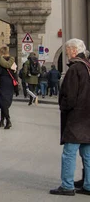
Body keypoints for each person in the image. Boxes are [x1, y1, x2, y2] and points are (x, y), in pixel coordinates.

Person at [49, 38, 90, 196]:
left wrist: (64, 107)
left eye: (67, 50)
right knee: (87, 152)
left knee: (69, 152)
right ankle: (88, 185)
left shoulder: (75, 69)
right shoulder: (87, 66)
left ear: (74, 50)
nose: (66, 53)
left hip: (77, 117)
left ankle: (67, 185)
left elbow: (70, 96)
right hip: (88, 115)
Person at [0, 46, 16, 129]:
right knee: (5, 102)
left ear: (1, 53)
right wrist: (16, 87)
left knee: (3, 102)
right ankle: (2, 121)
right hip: (10, 84)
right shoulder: (12, 62)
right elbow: (15, 74)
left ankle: (8, 120)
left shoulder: (0, 61)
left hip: (2, 83)